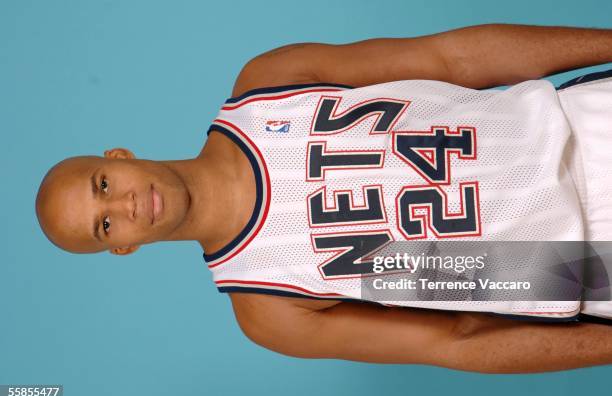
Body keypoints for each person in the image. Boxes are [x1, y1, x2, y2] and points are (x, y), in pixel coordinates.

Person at [35, 23, 612, 373]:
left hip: (584, 127)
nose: (125, 208)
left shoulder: (265, 87)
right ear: (122, 250)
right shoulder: (267, 308)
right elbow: (458, 344)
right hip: (585, 263)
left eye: (103, 188)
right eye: (104, 227)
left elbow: (453, 59)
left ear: (117, 157)